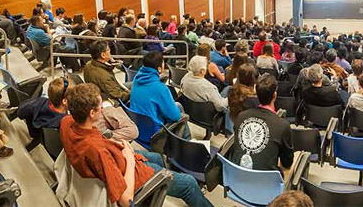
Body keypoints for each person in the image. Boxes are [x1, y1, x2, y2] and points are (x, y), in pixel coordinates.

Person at [59, 83, 213, 207]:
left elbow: (93, 140)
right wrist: (129, 158)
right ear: (92, 113)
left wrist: (111, 142)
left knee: (156, 157)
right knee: (189, 183)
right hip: (133, 175)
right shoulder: (97, 151)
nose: (102, 108)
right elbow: (125, 200)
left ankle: (168, 180)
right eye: (100, 105)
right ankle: (171, 182)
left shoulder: (66, 122)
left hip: (119, 158)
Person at [228, 74, 295, 175]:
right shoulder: (283, 125)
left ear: (256, 93)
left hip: (236, 179)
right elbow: (287, 163)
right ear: (275, 95)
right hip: (267, 186)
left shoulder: (241, 116)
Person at [128, 52, 185, 143]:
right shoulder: (161, 89)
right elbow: (175, 117)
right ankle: (185, 144)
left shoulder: (136, 79)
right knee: (182, 116)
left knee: (177, 105)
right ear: (159, 69)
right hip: (154, 134)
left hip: (137, 127)